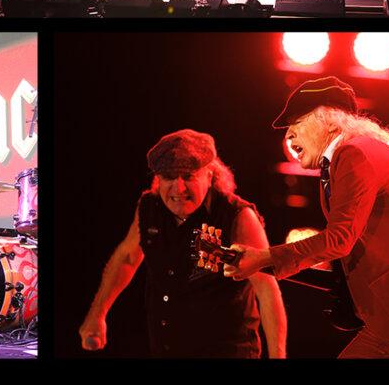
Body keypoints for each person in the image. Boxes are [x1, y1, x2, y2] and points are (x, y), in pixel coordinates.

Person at [224, 76, 389, 358]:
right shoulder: (350, 157)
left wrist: (265, 257)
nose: (289, 135)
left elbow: (339, 239)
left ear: (330, 122)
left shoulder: (355, 155)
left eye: (297, 124)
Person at [79, 129, 287, 358]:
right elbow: (127, 258)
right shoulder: (149, 208)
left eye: (188, 176)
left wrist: (277, 356)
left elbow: (267, 290)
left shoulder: (237, 216)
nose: (178, 189)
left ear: (210, 175)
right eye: (168, 177)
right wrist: (97, 315)